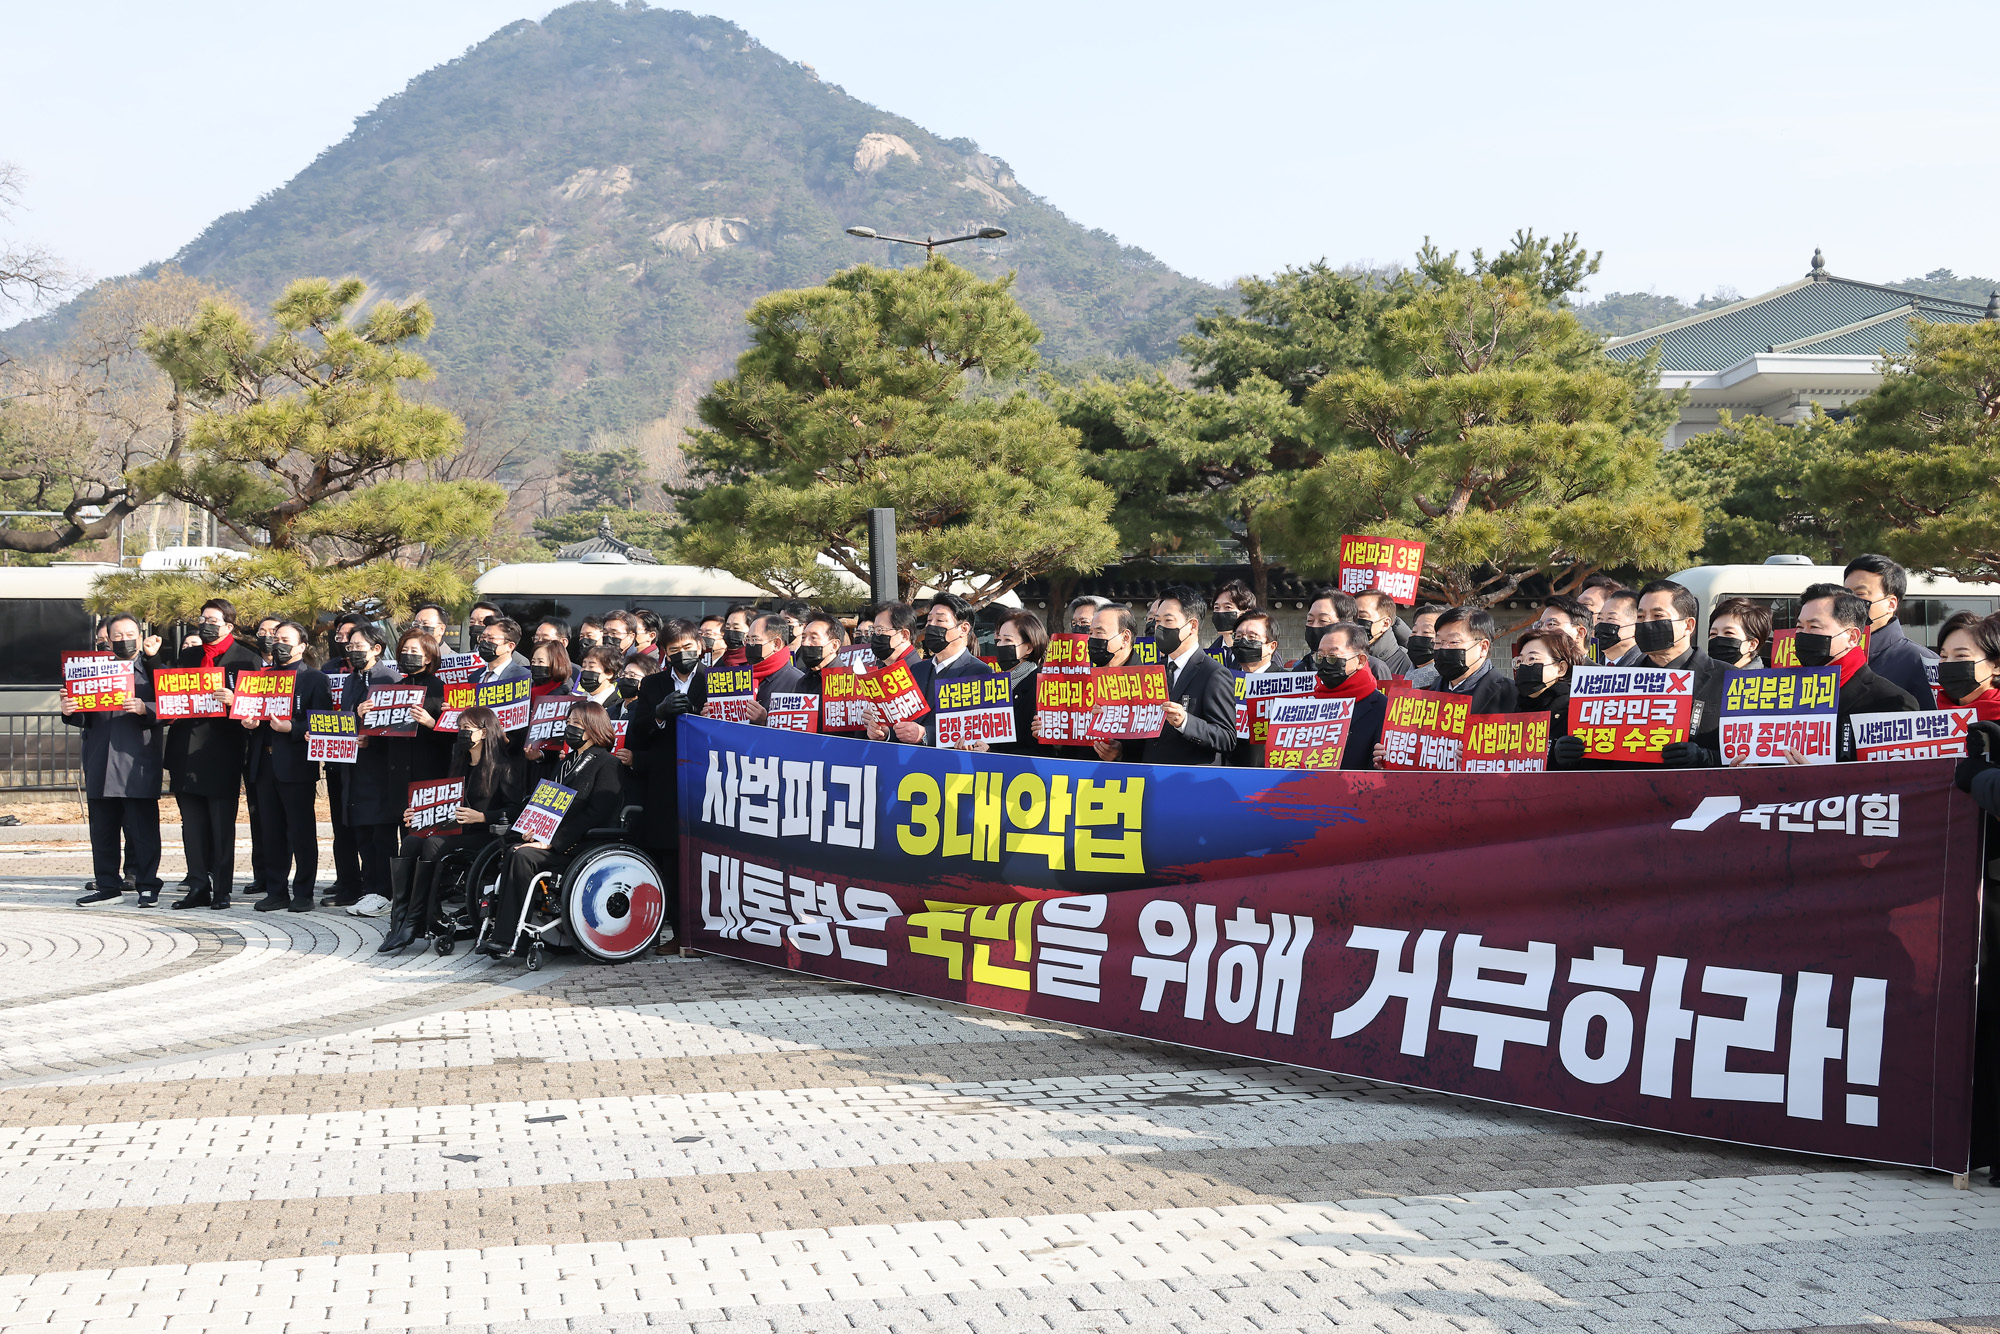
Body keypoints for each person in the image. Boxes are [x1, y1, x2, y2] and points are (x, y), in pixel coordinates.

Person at [479, 701, 629, 960]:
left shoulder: (607, 764)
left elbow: (596, 814)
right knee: (511, 846)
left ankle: (511, 938)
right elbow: (545, 803)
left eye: (576, 725)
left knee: (523, 856)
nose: (569, 729)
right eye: (568, 723)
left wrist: (551, 841)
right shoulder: (566, 762)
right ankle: (500, 932)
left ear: (594, 728)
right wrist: (532, 828)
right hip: (553, 838)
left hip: (582, 845)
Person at [381, 704, 526, 955]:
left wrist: (482, 816)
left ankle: (416, 919)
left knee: (432, 844)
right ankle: (400, 918)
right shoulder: (458, 764)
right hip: (455, 830)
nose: (461, 732)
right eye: (459, 728)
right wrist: (418, 814)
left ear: (484, 732)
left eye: (467, 728)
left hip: (486, 836)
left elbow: (516, 811)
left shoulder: (505, 767)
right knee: (412, 840)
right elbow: (441, 804)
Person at [163, 599, 262, 911]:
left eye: (213, 619)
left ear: (228, 626)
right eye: (203, 617)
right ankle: (197, 886)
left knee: (221, 825)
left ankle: (222, 889)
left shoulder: (247, 659)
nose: (205, 623)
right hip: (185, 751)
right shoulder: (190, 655)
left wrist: (236, 700)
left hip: (223, 752)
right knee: (191, 826)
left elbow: (256, 710)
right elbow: (171, 695)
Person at [67, 613, 164, 908]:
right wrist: (70, 709)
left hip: (136, 762)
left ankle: (147, 886)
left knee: (143, 830)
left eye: (129, 633)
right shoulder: (93, 670)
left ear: (140, 633)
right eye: (117, 635)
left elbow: (172, 707)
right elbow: (84, 717)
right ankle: (107, 885)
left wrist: (144, 707)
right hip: (100, 760)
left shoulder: (152, 669)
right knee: (103, 831)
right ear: (108, 638)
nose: (124, 640)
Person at [243, 620, 333, 912]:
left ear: (302, 646)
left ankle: (304, 892)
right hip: (264, 762)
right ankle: (276, 890)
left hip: (295, 763)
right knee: (270, 830)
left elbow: (322, 722)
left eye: (285, 639)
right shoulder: (261, 677)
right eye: (275, 638)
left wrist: (292, 728)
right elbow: (251, 713)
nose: (277, 643)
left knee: (301, 831)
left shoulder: (314, 679)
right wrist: (250, 722)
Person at [628, 625, 706, 944]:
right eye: (673, 650)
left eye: (687, 646)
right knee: (671, 862)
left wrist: (706, 715)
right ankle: (679, 932)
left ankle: (708, 932)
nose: (682, 654)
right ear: (664, 653)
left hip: (710, 782)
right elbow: (636, 737)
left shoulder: (718, 680)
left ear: (700, 645)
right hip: (666, 785)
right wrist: (659, 714)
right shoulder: (653, 684)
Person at [1099, 586, 1237, 766]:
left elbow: (1226, 737)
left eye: (1168, 621)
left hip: (1190, 782)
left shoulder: (1214, 673)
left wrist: (1185, 722)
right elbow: (1145, 735)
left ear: (1192, 626)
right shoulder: (1150, 672)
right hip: (1148, 780)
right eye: (1157, 621)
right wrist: (1119, 749)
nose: (1160, 627)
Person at [1797, 588, 1920, 760]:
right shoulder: (1784, 695)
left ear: (1852, 637)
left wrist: (1818, 778)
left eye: (1814, 627)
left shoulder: (1892, 702)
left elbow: (1894, 780)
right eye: (1799, 627)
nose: (1802, 635)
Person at [335, 623, 405, 912]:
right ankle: (370, 888)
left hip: (380, 769)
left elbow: (398, 725)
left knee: (381, 834)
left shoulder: (390, 679)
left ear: (377, 649)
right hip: (355, 766)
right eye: (350, 646)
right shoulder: (352, 679)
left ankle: (385, 892)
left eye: (359, 646)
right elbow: (346, 716)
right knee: (362, 831)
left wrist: (371, 734)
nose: (353, 651)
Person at [1843, 553, 1939, 706]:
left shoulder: (1922, 661)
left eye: (1860, 594)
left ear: (1891, 604)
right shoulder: (1831, 656)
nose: (1849, 603)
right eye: (1845, 595)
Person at [1309, 622, 1388, 770]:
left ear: (1360, 660)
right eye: (1319, 657)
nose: (1325, 662)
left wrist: (1383, 762)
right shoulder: (1308, 704)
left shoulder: (1382, 709)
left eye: (1333, 657)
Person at [1429, 606, 1519, 714]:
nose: (1443, 648)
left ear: (1483, 647)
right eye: (1438, 642)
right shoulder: (1426, 693)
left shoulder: (1513, 696)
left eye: (1453, 642)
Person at [1227, 611, 1282, 767]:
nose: (1243, 641)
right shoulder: (1224, 680)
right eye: (1238, 637)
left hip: (1269, 773)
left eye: (1252, 637)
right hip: (1226, 770)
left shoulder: (1286, 684)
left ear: (1271, 646)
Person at [990, 610, 1048, 756]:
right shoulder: (993, 685)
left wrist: (992, 752)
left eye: (1008, 640)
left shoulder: (1041, 687)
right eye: (999, 640)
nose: (1000, 645)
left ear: (1028, 647)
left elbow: (1039, 749)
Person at [1299, 589, 1391, 679]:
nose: (1314, 626)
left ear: (1346, 624)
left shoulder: (1374, 668)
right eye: (1310, 621)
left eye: (1323, 620)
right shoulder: (1301, 669)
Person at [1511, 626, 1579, 746]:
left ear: (1561, 668)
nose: (1524, 666)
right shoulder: (1515, 708)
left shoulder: (1574, 711)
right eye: (1520, 661)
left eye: (1532, 659)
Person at [1935, 611, 2000, 721]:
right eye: (1944, 656)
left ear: (1996, 665)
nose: (1948, 663)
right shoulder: (1933, 718)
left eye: (1961, 655)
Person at [1353, 589, 1413, 678]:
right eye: (1352, 616)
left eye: (1362, 616)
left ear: (1385, 624)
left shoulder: (1406, 664)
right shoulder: (1343, 656)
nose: (1354, 622)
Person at [1706, 596, 1773, 671]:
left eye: (1728, 632)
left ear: (1752, 644)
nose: (1718, 638)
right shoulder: (1701, 679)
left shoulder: (1770, 680)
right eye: (1713, 634)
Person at [1532, 595, 1594, 659]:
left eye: (1551, 624)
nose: (1542, 630)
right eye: (1539, 625)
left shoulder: (1595, 669)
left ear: (1580, 633)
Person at [1207, 579, 1257, 657]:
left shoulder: (1261, 654)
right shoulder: (1210, 655)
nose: (1220, 612)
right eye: (1216, 608)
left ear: (1246, 613)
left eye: (1228, 607)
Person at [1594, 589, 1642, 666]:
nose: (1602, 624)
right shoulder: (1589, 666)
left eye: (1611, 618)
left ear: (1636, 626)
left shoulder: (1647, 667)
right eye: (1599, 618)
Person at [471, 617, 525, 684]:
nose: (485, 641)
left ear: (510, 646)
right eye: (483, 637)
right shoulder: (474, 676)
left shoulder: (522, 677)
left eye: (491, 638)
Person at [1405, 605, 1445, 689]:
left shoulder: (1446, 683)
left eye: (1426, 632)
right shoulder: (1405, 672)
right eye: (1414, 631)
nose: (1417, 636)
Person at [575, 646, 621, 710]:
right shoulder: (576, 702)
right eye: (583, 666)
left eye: (592, 666)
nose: (586, 670)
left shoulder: (617, 705)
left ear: (609, 673)